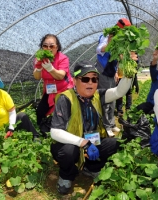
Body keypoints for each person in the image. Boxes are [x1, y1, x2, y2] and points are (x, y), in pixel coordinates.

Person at [50, 58, 137, 194]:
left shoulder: (97, 95)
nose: (90, 83)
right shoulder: (66, 98)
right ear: (75, 80)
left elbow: (119, 92)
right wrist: (83, 143)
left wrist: (129, 70)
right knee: (67, 151)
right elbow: (55, 132)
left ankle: (91, 167)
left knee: (114, 144)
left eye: (94, 79)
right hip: (72, 144)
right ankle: (67, 175)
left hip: (93, 141)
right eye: (85, 79)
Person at [95, 18, 132, 136]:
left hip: (111, 73)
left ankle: (111, 124)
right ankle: (106, 126)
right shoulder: (106, 36)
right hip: (103, 72)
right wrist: (110, 42)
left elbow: (115, 58)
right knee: (106, 100)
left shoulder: (120, 40)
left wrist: (116, 72)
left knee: (113, 99)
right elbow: (99, 50)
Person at [33, 34, 74, 135]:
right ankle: (41, 132)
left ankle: (64, 132)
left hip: (64, 90)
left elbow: (60, 76)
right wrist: (38, 68)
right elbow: (37, 76)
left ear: (57, 47)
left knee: (61, 113)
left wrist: (50, 69)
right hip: (50, 90)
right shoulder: (39, 58)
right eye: (45, 46)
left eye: (51, 46)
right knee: (40, 111)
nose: (48, 48)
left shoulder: (63, 58)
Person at [136, 48, 158, 114]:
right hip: (151, 103)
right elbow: (152, 67)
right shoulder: (156, 76)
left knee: (152, 113)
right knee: (139, 108)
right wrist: (155, 59)